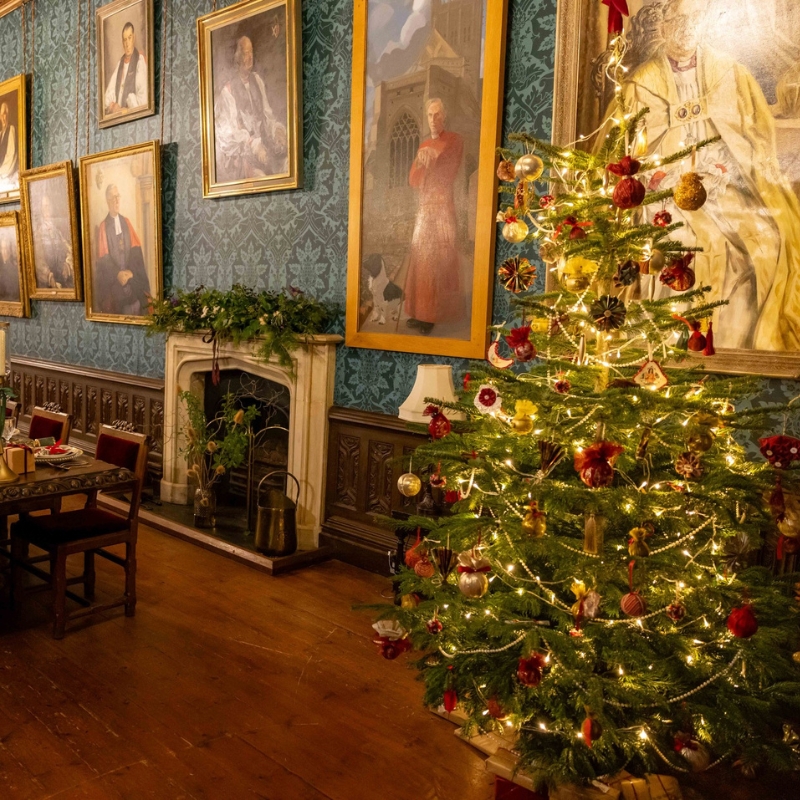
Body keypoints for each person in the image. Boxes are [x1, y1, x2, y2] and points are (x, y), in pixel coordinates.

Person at [621, 0, 800, 351]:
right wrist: (671, 174)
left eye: (695, 20)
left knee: (766, 238)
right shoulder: (643, 83)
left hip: (723, 181)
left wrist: (719, 169)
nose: (686, 28)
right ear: (664, 25)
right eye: (678, 20)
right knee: (700, 246)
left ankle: (739, 345)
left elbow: (750, 134)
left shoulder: (729, 72)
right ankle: (680, 345)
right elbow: (636, 150)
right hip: (666, 189)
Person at [403, 98, 464, 336]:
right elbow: (413, 180)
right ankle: (418, 311)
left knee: (437, 259)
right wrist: (420, 161)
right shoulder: (424, 144)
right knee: (421, 258)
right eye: (429, 115)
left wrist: (433, 158)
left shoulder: (455, 140)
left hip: (441, 207)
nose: (433, 120)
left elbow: (449, 171)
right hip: (425, 207)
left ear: (444, 117)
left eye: (437, 115)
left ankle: (433, 314)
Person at [213, 35, 288, 181]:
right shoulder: (227, 92)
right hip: (245, 159)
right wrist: (253, 144)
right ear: (237, 57)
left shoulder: (257, 81)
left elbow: (268, 116)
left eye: (251, 52)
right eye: (245, 53)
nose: (250, 57)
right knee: (261, 178)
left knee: (287, 166)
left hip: (266, 150)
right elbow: (229, 135)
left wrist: (277, 130)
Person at [94, 184, 151, 316]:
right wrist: (117, 274)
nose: (116, 200)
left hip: (130, 277)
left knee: (142, 302)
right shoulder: (103, 227)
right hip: (114, 280)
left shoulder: (126, 222)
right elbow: (104, 258)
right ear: (108, 201)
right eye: (113, 197)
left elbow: (136, 252)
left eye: (118, 196)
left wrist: (131, 272)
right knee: (121, 305)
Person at [104, 22, 148, 115]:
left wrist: (128, 106)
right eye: (124, 40)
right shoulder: (120, 63)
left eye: (129, 38)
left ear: (134, 37)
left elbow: (143, 102)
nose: (127, 43)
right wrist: (113, 106)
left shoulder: (139, 61)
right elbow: (107, 97)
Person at [33, 192, 74, 289]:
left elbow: (70, 250)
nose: (46, 209)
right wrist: (49, 276)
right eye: (44, 206)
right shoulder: (38, 234)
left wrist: (67, 265)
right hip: (48, 285)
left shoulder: (57, 232)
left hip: (62, 279)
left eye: (48, 206)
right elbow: (38, 260)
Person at [0, 101, 18, 192]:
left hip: (6, 174)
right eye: (2, 114)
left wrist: (1, 171)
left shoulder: (11, 129)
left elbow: (11, 154)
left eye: (5, 114)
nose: (3, 117)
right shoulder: (0, 134)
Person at [0, 230, 20, 302]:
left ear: (10, 250)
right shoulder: (1, 266)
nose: (4, 252)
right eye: (2, 248)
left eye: (6, 248)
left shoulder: (15, 268)